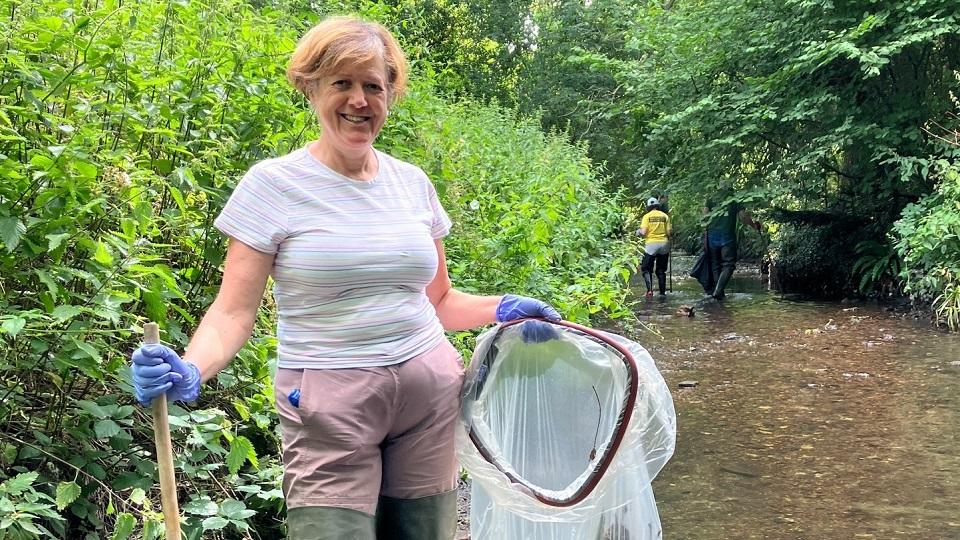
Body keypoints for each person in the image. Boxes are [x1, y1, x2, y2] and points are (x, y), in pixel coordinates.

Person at [129, 16, 560, 540]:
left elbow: (440, 302)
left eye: (373, 86)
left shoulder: (412, 184)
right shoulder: (273, 185)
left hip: (428, 401)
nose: (360, 100)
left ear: (389, 96)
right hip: (328, 408)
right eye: (343, 83)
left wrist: (504, 307)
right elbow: (233, 311)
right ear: (310, 87)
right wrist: (192, 367)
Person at [703, 197, 758, 300]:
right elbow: (742, 218)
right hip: (727, 236)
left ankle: (719, 293)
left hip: (712, 236)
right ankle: (718, 291)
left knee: (715, 265)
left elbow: (705, 216)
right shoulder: (735, 198)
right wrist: (754, 225)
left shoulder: (710, 198)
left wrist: (705, 235)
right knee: (728, 264)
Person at [637, 196, 672, 297]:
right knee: (661, 270)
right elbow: (669, 232)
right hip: (664, 244)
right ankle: (662, 293)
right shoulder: (665, 216)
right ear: (657, 206)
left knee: (646, 269)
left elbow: (643, 232)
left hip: (651, 245)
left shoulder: (646, 217)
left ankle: (649, 291)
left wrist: (637, 232)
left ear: (648, 207)